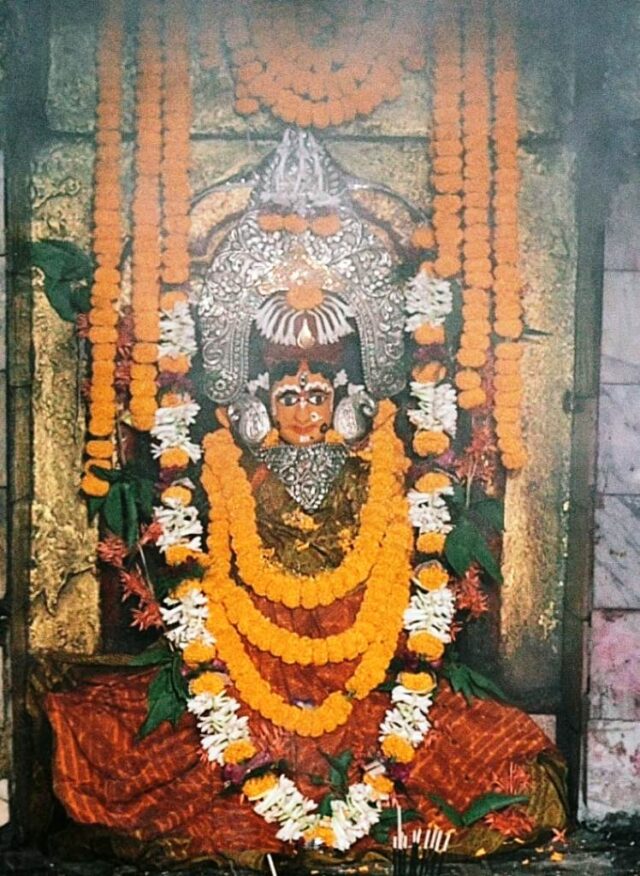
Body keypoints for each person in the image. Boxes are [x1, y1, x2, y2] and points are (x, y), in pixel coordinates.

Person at [46, 130, 567, 868]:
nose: (302, 409)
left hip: (361, 661)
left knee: (464, 739)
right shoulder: (235, 469)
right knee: (143, 728)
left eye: (316, 395)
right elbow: (217, 565)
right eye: (288, 396)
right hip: (249, 660)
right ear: (261, 402)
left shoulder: (373, 469)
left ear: (342, 402)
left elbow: (392, 559)